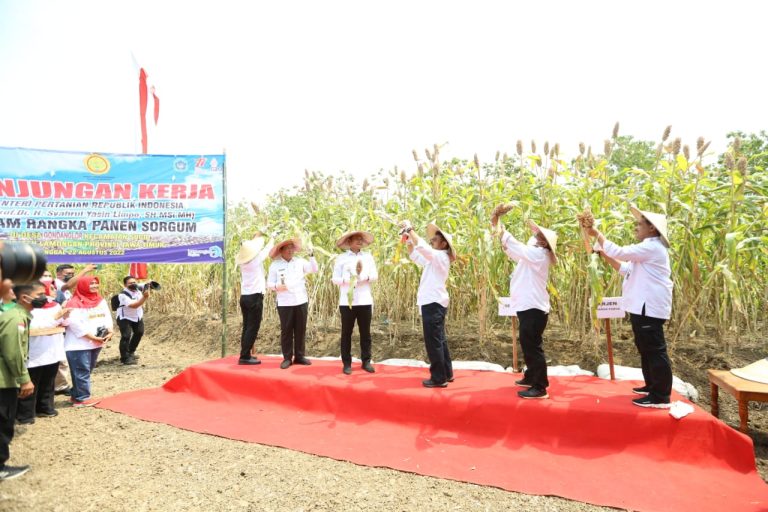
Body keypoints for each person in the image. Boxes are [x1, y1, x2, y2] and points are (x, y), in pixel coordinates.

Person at [587, 205, 673, 408]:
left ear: (652, 229)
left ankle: (660, 396)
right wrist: (603, 255)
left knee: (654, 349)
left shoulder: (651, 247)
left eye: (639, 224)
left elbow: (620, 252)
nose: (636, 228)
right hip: (642, 306)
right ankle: (652, 386)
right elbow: (625, 269)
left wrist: (596, 233)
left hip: (649, 307)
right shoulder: (647, 250)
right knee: (645, 349)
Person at [493, 216, 558, 399]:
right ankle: (531, 377)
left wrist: (502, 230)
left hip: (533, 307)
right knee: (528, 343)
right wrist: (501, 232)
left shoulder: (538, 255)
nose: (535, 234)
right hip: (529, 306)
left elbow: (518, 248)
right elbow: (514, 252)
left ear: (544, 242)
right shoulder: (533, 254)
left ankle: (540, 386)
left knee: (532, 346)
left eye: (539, 234)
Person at [402, 221, 455, 388]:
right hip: (433, 301)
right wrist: (409, 239)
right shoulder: (434, 259)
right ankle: (446, 372)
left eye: (435, 239)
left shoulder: (440, 256)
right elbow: (414, 255)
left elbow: (423, 247)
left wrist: (411, 229)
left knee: (433, 341)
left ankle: (438, 378)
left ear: (443, 243)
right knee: (439, 339)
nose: (431, 241)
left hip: (433, 302)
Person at [0, 280, 40, 480]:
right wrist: (24, 379)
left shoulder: (16, 314)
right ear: (23, 297)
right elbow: (13, 352)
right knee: (4, 421)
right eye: (42, 294)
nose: (46, 297)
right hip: (3, 380)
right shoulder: (15, 317)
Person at [16, 282, 70, 423]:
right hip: (34, 352)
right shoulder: (25, 310)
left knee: (48, 382)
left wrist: (64, 316)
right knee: (30, 385)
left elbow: (62, 323)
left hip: (52, 350)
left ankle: (45, 408)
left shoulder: (55, 306)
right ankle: (25, 414)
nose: (45, 296)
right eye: (40, 294)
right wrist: (55, 318)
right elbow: (35, 327)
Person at [266, 237, 318, 369]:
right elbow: (269, 284)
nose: (290, 250)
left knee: (300, 329)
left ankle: (300, 356)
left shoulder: (300, 262)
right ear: (281, 250)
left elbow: (314, 269)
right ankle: (287, 358)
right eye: (287, 248)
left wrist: (311, 255)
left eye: (291, 248)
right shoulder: (275, 265)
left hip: (301, 300)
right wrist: (278, 286)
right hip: (284, 303)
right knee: (286, 330)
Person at [332, 230, 378, 375]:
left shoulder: (368, 257)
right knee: (346, 333)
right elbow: (335, 279)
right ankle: (346, 363)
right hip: (347, 301)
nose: (359, 241)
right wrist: (348, 280)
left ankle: (366, 361)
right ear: (349, 242)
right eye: (356, 239)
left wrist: (364, 278)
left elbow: (375, 275)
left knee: (365, 333)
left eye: (360, 239)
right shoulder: (341, 258)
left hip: (364, 300)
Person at [63, 275, 113, 407]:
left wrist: (110, 330)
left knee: (86, 370)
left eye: (96, 283)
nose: (94, 286)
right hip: (78, 345)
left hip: (96, 342)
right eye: (91, 284)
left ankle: (76, 394)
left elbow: (107, 317)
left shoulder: (100, 300)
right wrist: (91, 337)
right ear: (83, 285)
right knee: (81, 370)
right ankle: (82, 398)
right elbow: (74, 323)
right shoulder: (73, 303)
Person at [235, 233, 274, 365]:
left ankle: (245, 353)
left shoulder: (242, 262)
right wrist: (272, 237)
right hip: (254, 297)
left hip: (245, 297)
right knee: (252, 327)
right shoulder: (255, 260)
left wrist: (255, 237)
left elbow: (252, 249)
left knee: (247, 327)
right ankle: (245, 356)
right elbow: (267, 250)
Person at [115, 276, 150, 365]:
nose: (133, 284)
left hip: (137, 316)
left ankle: (131, 352)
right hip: (124, 317)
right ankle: (125, 358)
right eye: (130, 283)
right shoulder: (122, 295)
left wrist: (149, 284)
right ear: (125, 285)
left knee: (139, 332)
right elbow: (134, 305)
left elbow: (147, 285)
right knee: (126, 336)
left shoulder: (138, 289)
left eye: (134, 282)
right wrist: (144, 297)